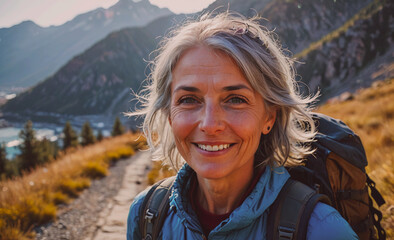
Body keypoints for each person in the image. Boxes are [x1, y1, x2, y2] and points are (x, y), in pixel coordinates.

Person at [127, 12, 358, 239]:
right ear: (169, 114)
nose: (210, 124)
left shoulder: (322, 230)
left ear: (269, 117)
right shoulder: (147, 215)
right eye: (188, 100)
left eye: (235, 99)